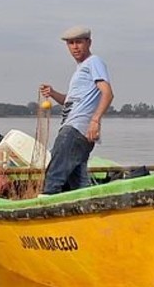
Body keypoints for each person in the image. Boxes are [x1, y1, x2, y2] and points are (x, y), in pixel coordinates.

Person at [40, 25, 114, 195]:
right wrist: (52, 93)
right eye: (71, 43)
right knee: (78, 183)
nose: (75, 47)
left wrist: (95, 120)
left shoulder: (93, 62)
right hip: (77, 131)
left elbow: (108, 93)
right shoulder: (80, 69)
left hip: (75, 130)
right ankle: (88, 209)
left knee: (53, 178)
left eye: (79, 42)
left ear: (89, 43)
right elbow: (69, 102)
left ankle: (44, 206)